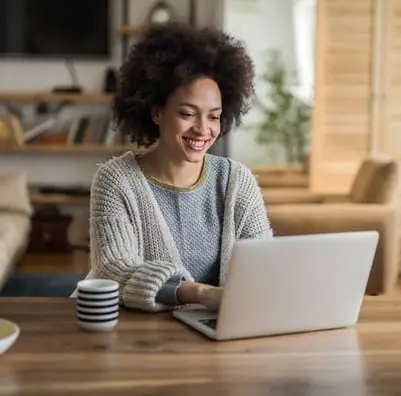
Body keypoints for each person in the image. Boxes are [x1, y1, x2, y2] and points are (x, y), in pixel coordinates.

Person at [80, 23, 273, 313]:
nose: (202, 129)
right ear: (156, 111)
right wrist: (199, 293)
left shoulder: (236, 181)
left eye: (214, 117)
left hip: (219, 331)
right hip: (138, 333)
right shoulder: (116, 180)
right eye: (187, 114)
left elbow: (266, 266)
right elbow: (113, 270)